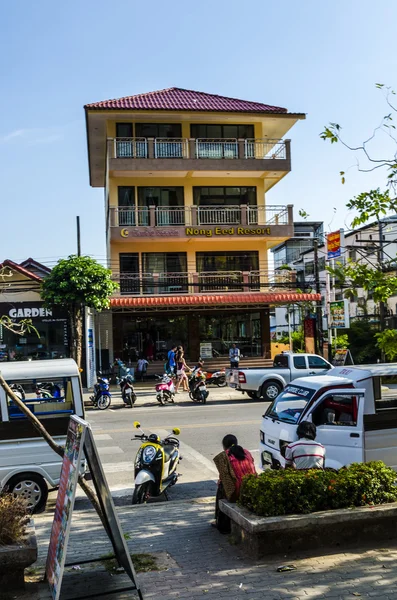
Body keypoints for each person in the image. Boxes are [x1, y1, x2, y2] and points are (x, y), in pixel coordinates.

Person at [213, 434, 256, 533]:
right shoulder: (246, 452)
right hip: (251, 487)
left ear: (224, 446)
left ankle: (220, 522)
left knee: (220, 486)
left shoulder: (224, 456)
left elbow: (224, 478)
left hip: (236, 492)